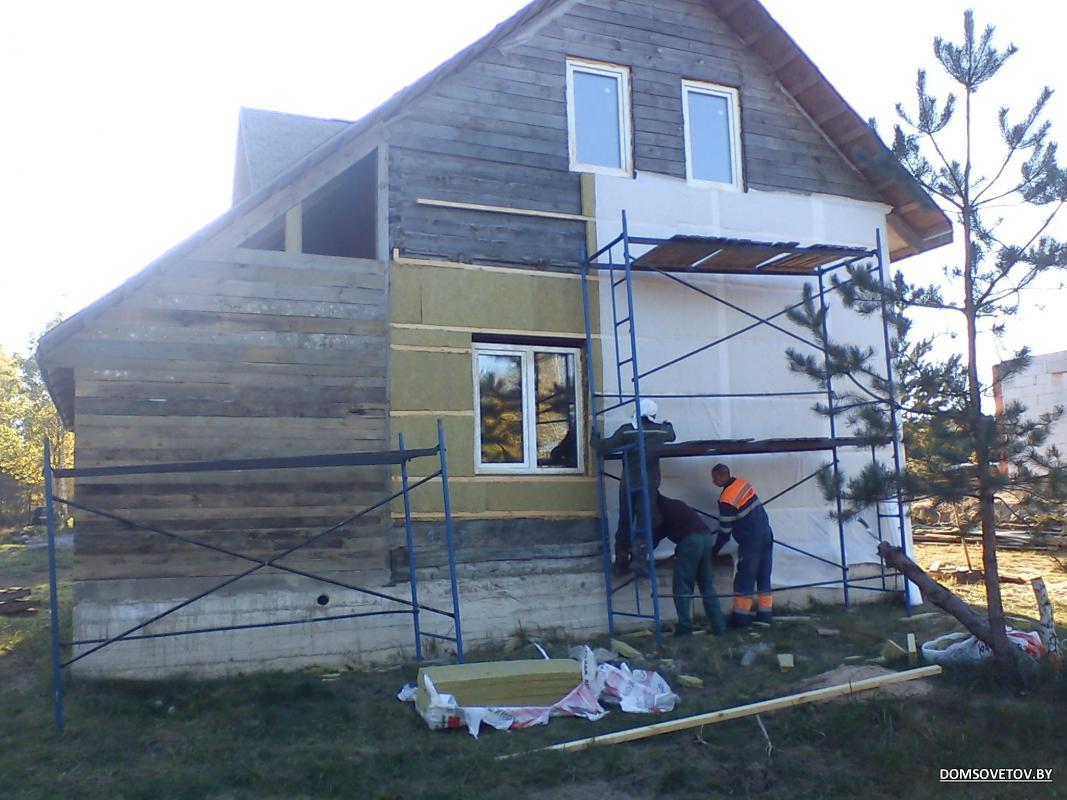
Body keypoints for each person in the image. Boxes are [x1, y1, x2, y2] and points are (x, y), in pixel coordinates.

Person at [592, 399, 675, 574]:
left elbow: (605, 447)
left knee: (625, 521)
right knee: (645, 522)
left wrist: (594, 439)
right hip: (649, 484)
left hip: (628, 484)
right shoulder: (660, 431)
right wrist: (668, 424)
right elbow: (672, 435)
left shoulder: (627, 431)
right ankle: (639, 560)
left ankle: (621, 561)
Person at [710, 464, 775, 627]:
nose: (713, 481)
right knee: (763, 576)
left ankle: (740, 619)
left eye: (714, 478)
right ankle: (765, 616)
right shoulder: (743, 483)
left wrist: (714, 551)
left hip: (751, 541)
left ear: (721, 476)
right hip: (767, 534)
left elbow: (725, 531)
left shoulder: (726, 499)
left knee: (745, 578)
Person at [652, 494, 726, 637]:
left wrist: (639, 551)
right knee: (706, 585)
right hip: (706, 538)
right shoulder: (674, 504)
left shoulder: (658, 510)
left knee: (682, 586)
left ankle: (684, 628)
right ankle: (719, 626)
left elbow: (655, 534)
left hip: (691, 542)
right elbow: (662, 531)